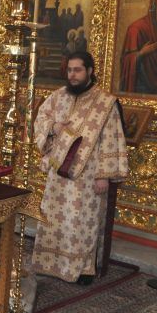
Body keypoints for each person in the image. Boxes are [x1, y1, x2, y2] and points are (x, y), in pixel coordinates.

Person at [31, 51, 129, 284]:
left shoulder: (105, 103)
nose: (72, 75)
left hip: (88, 176)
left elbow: (111, 139)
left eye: (78, 70)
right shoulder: (58, 97)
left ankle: (82, 268)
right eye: (69, 71)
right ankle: (50, 263)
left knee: (82, 225)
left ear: (90, 71)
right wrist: (53, 126)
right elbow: (40, 120)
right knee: (53, 219)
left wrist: (104, 175)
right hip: (58, 175)